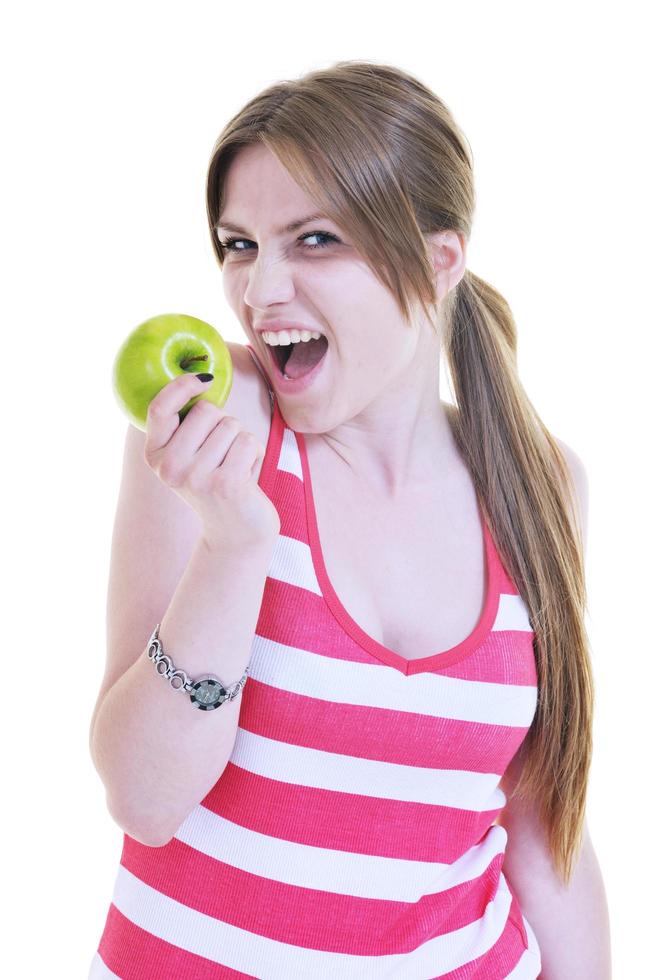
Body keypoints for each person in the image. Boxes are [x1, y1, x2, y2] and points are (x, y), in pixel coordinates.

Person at [88, 60, 611, 978]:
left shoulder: (539, 483)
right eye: (239, 244)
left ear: (440, 260)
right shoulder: (215, 427)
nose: (258, 292)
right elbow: (144, 797)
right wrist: (234, 544)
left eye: (314, 240)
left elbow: (545, 837)